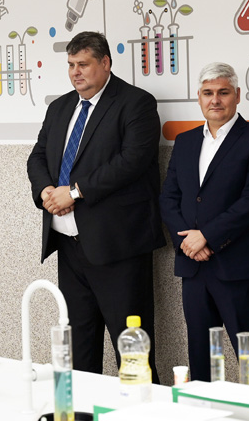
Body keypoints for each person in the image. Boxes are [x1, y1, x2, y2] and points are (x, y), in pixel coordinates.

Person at [26, 31, 164, 378]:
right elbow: (38, 156)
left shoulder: (136, 103)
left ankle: (143, 409)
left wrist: (73, 193)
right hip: (70, 247)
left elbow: (131, 162)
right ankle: (84, 410)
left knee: (133, 352)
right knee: (79, 351)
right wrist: (46, 191)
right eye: (71, 65)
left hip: (118, 248)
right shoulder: (60, 107)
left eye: (83, 64)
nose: (76, 72)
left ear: (105, 63)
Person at [160, 63, 249, 385]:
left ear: (237, 95)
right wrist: (188, 242)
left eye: (223, 92)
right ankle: (202, 408)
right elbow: (169, 198)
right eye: (208, 93)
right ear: (198, 97)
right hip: (193, 266)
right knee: (200, 352)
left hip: (236, 265)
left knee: (248, 352)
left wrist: (207, 237)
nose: (215, 100)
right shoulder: (185, 141)